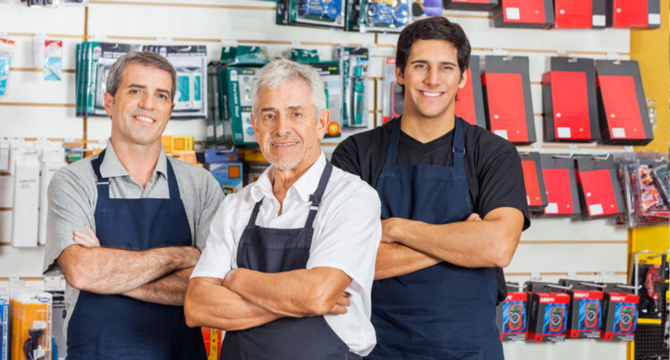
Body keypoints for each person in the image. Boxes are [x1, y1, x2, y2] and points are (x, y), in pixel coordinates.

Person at [332, 17, 530, 360]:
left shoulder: (494, 153)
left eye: (446, 68)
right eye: (420, 65)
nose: (433, 80)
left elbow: (497, 247)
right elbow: (344, 262)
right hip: (376, 348)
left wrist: (395, 229)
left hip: (468, 350)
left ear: (463, 76)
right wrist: (463, 243)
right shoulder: (356, 153)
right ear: (400, 72)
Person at [184, 58, 381, 360]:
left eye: (296, 113)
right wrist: (296, 301)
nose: (282, 128)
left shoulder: (352, 198)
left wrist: (237, 279)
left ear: (320, 123)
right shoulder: (237, 205)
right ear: (255, 126)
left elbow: (316, 295)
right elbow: (198, 306)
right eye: (269, 115)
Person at [42, 51, 223, 359]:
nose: (148, 104)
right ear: (109, 101)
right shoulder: (73, 181)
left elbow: (211, 289)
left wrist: (108, 271)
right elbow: (82, 272)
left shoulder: (201, 185)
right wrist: (184, 256)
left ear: (170, 109)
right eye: (135, 90)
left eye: (161, 95)